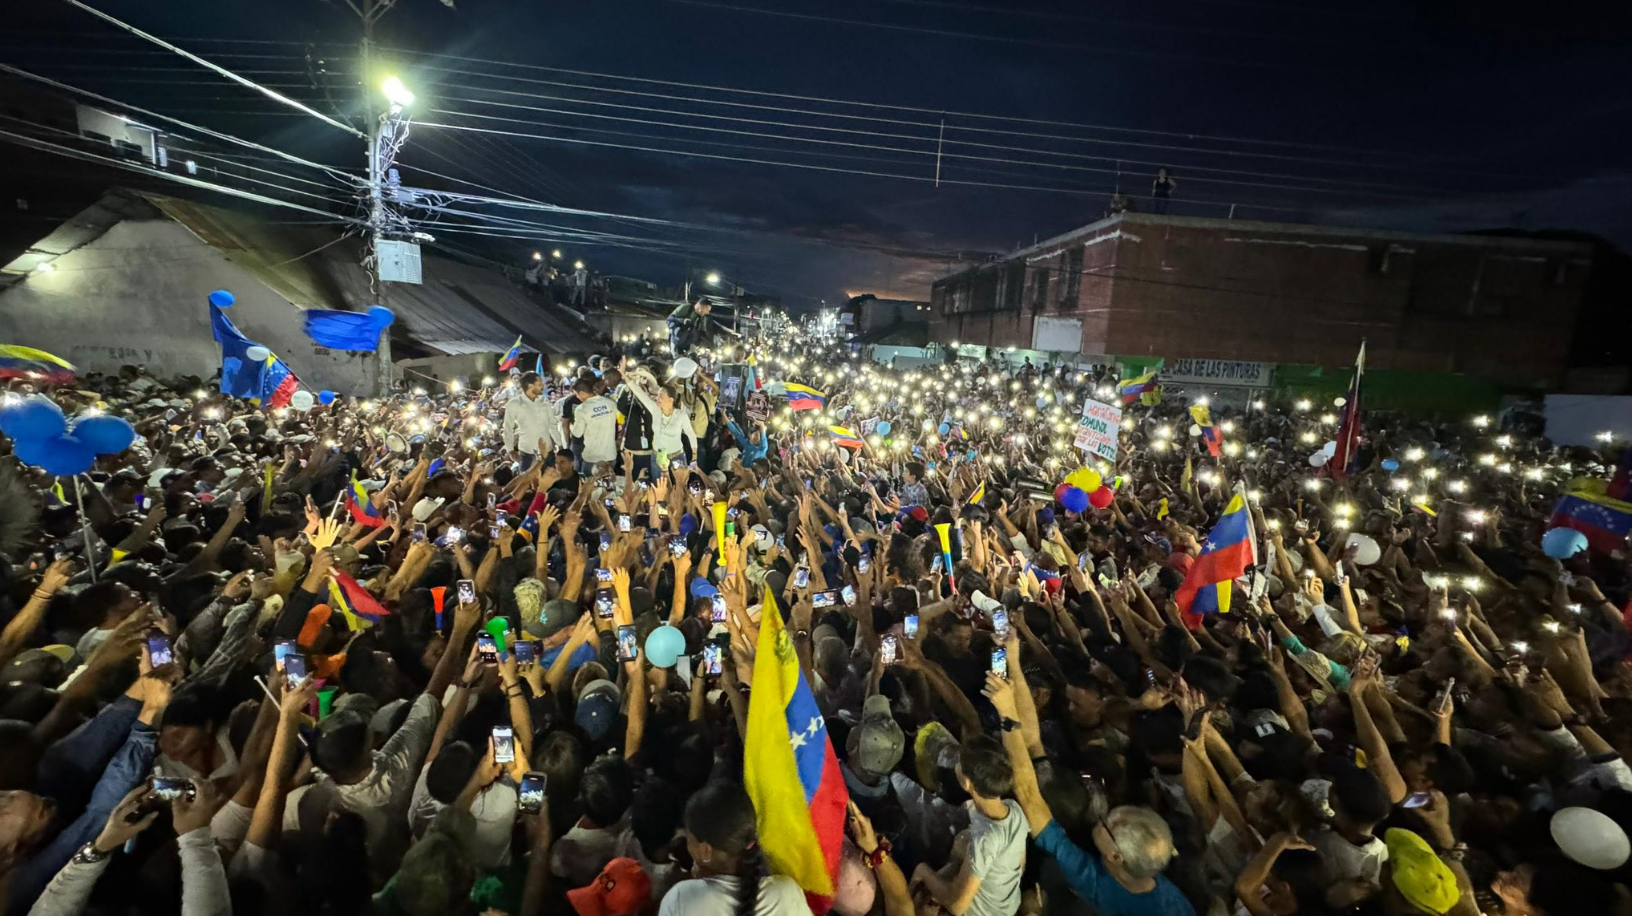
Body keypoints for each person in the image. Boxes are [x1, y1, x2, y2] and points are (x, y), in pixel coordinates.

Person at [502, 371, 561, 471]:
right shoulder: (514, 404)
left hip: (548, 452)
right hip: (527, 452)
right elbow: (508, 428)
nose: (543, 386)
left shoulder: (545, 402)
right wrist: (510, 450)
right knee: (525, 484)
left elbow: (552, 425)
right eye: (539, 384)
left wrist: (560, 445)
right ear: (530, 386)